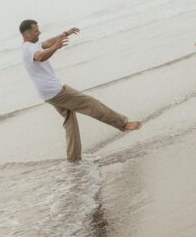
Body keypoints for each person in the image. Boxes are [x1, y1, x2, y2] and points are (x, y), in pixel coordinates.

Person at [19, 20, 141, 161]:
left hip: (47, 94)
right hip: (56, 91)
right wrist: (55, 48)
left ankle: (74, 159)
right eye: (36, 31)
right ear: (26, 33)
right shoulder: (28, 49)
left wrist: (65, 34)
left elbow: (46, 42)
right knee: (90, 103)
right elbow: (40, 56)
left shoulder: (32, 45)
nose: (39, 32)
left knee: (70, 122)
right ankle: (123, 124)